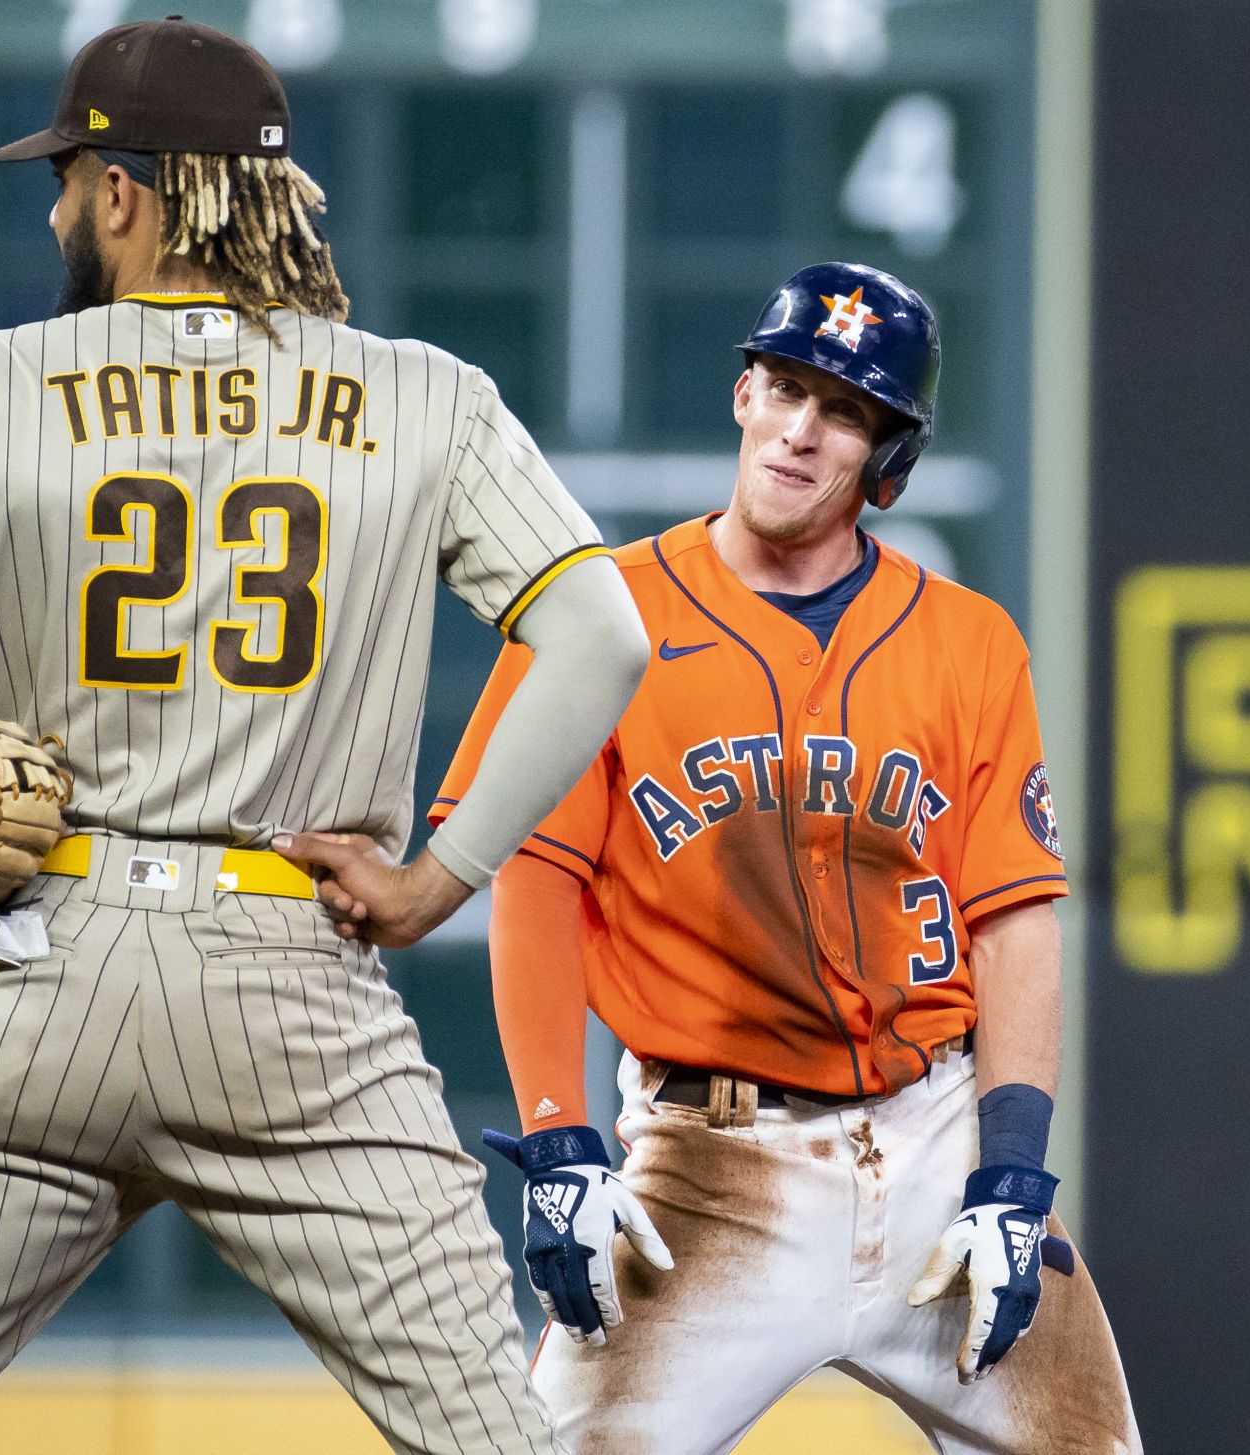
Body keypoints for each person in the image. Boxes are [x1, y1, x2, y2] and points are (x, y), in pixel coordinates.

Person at [0, 19, 647, 1455]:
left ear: (123, 192)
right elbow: (603, 635)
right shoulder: (427, 394)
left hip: (43, 968)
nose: (55, 208)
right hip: (292, 990)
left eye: (66, 179)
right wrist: (441, 874)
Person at [431, 263, 1142, 1454]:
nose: (803, 430)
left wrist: (1011, 1173)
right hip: (713, 1168)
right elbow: (536, 876)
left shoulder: (968, 642)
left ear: (886, 458)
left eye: (846, 410)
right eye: (785, 387)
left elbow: (1013, 918)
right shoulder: (606, 619)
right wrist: (557, 1135)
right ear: (743, 395)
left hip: (934, 1144)